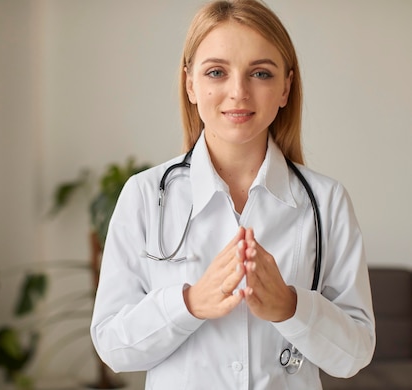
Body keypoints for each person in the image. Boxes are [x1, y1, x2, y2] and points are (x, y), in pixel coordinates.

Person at [89, 0, 375, 389]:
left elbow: (355, 354)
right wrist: (189, 304)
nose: (238, 92)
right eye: (216, 72)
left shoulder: (326, 202)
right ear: (191, 83)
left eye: (260, 73)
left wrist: (291, 308)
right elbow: (111, 345)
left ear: (285, 87)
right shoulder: (143, 196)